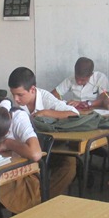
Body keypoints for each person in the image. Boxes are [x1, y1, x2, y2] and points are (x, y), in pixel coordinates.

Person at [7, 66, 77, 196]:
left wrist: (47, 112)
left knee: (69, 164)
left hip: (50, 147)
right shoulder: (12, 102)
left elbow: (74, 113)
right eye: (13, 94)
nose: (15, 99)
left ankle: (45, 198)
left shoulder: (46, 97)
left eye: (20, 95)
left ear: (33, 89)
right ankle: (36, 198)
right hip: (23, 149)